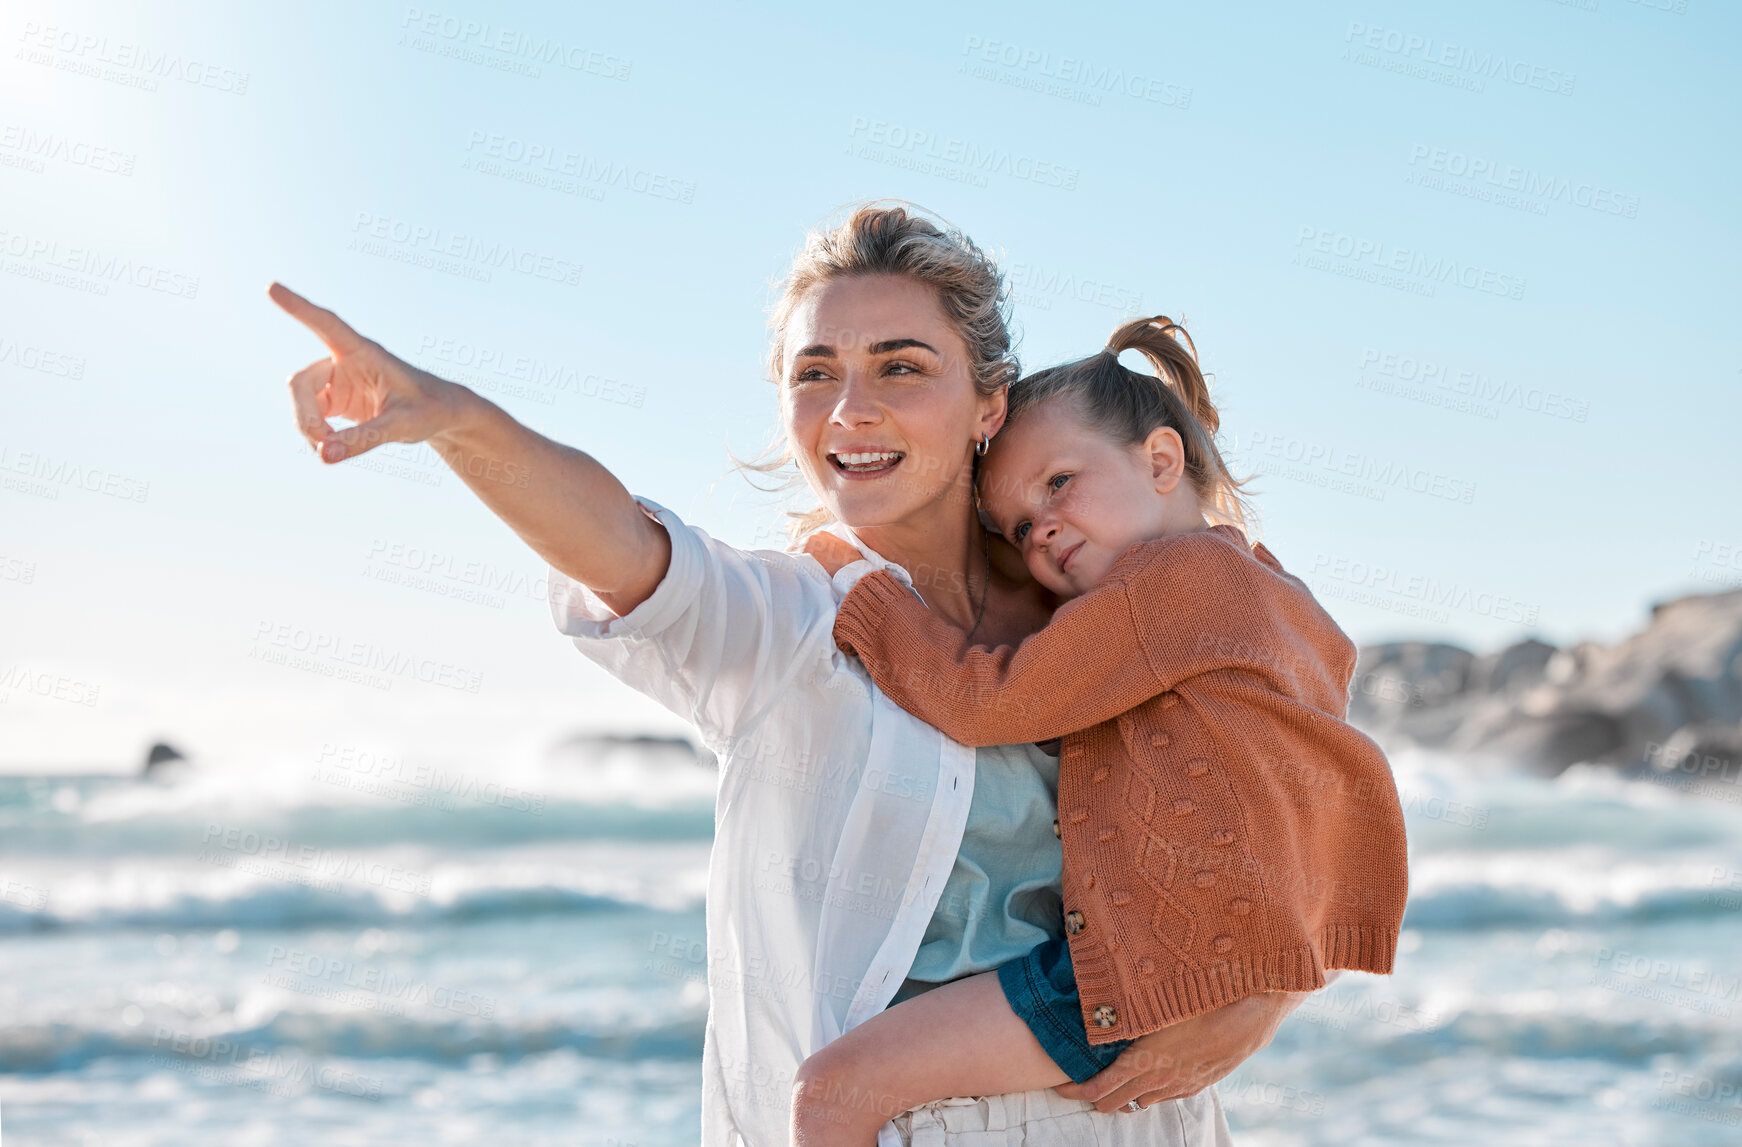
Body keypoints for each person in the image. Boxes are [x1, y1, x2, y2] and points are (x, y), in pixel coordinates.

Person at [270, 203, 1315, 1146]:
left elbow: (1287, 794)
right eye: (815, 373)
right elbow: (619, 543)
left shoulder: (1095, 601)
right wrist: (453, 416)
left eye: (900, 366)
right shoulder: (792, 625)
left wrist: (1260, 992)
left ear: (986, 404)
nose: (850, 408)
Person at [789, 317, 1410, 1144]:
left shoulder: (1165, 586)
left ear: (1160, 461)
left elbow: (988, 701)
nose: (1038, 529)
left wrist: (865, 590)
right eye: (1015, 527)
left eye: (1058, 483)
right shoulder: (1277, 592)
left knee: (835, 1092)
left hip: (1136, 968)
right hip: (1214, 962)